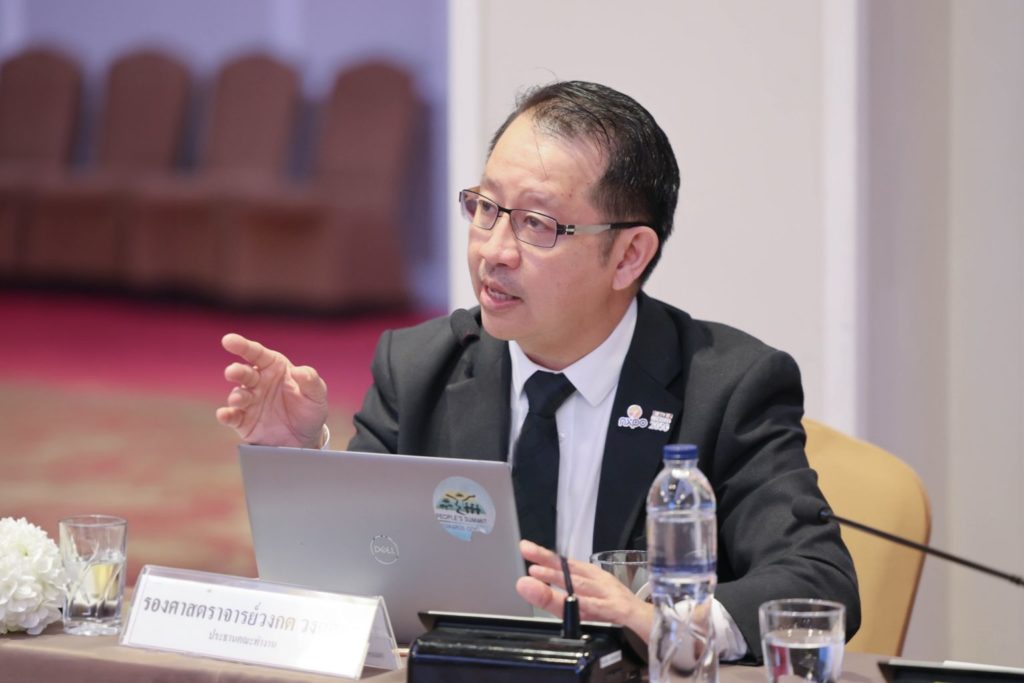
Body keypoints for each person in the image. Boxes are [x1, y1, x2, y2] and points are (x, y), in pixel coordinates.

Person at [216, 81, 860, 661]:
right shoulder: (419, 368)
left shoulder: (727, 388)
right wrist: (296, 458)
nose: (494, 251)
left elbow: (817, 580)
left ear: (629, 256)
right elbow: (357, 580)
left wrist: (666, 624)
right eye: (486, 208)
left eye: (537, 224)